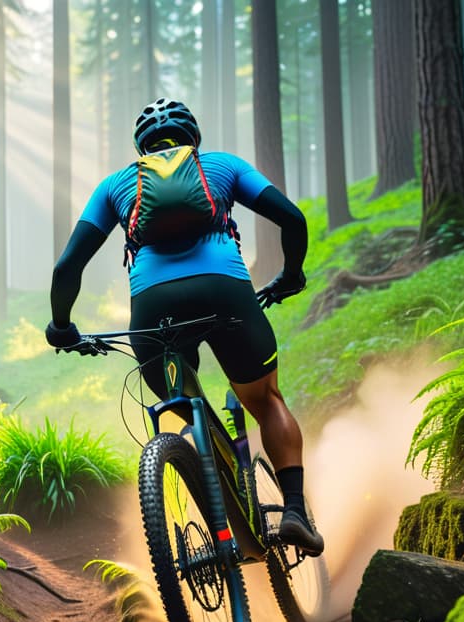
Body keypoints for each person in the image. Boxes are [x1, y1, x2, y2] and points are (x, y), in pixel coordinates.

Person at [45, 97, 323, 556]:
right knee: (264, 398)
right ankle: (293, 510)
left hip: (153, 311)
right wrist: (291, 275)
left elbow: (66, 267)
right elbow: (292, 218)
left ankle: (219, 515)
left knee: (183, 403)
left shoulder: (116, 185)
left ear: (142, 148)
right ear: (193, 139)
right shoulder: (222, 165)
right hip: (226, 294)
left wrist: (62, 326)